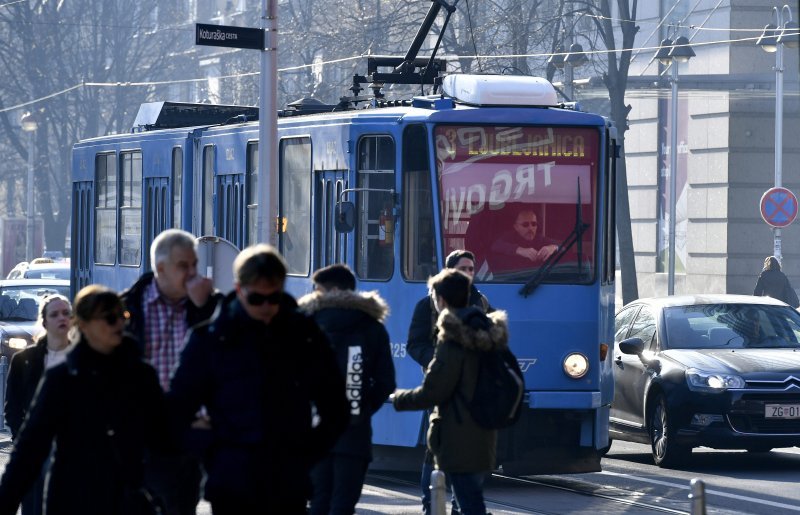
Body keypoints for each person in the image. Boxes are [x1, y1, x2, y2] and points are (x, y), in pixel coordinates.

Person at [168, 244, 350, 514]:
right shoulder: (211, 340)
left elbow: (335, 408)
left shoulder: (305, 337)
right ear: (239, 289)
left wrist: (304, 455)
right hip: (232, 484)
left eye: (273, 297)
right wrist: (213, 453)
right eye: (257, 299)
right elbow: (176, 411)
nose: (266, 306)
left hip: (287, 483)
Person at [0, 285, 170, 515]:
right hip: (73, 499)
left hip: (127, 502)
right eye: (110, 317)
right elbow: (29, 449)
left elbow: (163, 441)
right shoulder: (62, 379)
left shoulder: (140, 375)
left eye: (123, 316)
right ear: (85, 325)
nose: (119, 323)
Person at [121, 228, 222, 515]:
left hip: (189, 438)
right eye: (183, 266)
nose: (192, 273)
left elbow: (228, 358)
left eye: (194, 265)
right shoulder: (128, 308)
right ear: (161, 269)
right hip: (142, 437)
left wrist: (205, 307)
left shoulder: (210, 307)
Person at [392, 269, 509, 515]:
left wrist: (399, 398)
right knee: (471, 499)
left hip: (458, 432)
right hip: (484, 430)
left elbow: (435, 390)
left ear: (441, 300)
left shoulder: (453, 339)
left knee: (468, 503)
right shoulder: (487, 333)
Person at [298, 263, 396, 515]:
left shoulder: (304, 324)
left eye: (317, 290)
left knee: (318, 502)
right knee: (343, 505)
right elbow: (386, 382)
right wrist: (360, 408)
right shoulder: (372, 327)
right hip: (354, 435)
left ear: (329, 292)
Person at [407, 249, 492, 515]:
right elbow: (415, 343)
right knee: (436, 451)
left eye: (471, 268)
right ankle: (431, 505)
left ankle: (460, 507)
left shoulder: (480, 302)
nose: (468, 273)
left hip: (473, 389)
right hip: (441, 386)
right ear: (449, 270)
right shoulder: (428, 304)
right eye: (462, 268)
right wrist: (438, 361)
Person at [3, 294, 72, 515]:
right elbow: (12, 407)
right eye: (55, 314)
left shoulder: (83, 357)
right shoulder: (25, 360)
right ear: (44, 322)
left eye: (66, 313)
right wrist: (21, 438)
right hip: (35, 450)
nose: (61, 318)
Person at [489, 208, 558, 271]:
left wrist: (554, 247)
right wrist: (519, 250)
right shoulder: (509, 237)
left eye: (534, 224)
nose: (530, 228)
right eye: (525, 225)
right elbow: (495, 245)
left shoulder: (540, 239)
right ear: (516, 227)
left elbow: (565, 244)